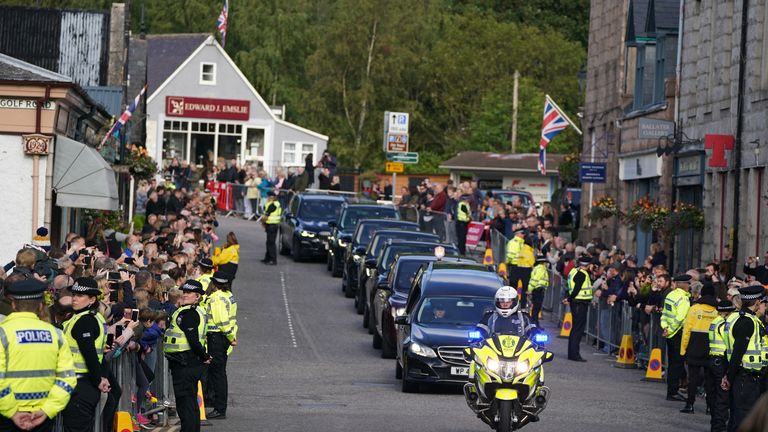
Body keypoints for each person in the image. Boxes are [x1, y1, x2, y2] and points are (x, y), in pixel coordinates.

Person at [0, 279, 77, 432]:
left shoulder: (3, 334)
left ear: (14, 305)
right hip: (41, 417)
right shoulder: (56, 335)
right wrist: (48, 409)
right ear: (41, 305)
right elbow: (67, 378)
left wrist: (12, 411)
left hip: (5, 417)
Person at [61, 277, 110, 432]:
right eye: (74, 294)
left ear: (92, 299)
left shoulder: (85, 321)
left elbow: (89, 353)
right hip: (82, 382)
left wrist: (98, 379)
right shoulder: (87, 317)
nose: (75, 298)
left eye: (80, 295)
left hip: (80, 385)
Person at [163, 280, 211, 432]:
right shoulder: (191, 311)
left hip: (186, 364)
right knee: (189, 405)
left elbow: (193, 340)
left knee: (186, 406)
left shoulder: (189, 313)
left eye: (188, 293)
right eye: (184, 292)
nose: (184, 295)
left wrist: (204, 356)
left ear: (197, 296)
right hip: (188, 363)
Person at [722, 284, 766, 431]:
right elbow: (738, 351)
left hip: (743, 376)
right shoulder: (747, 322)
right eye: (762, 301)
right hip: (745, 377)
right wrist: (729, 376)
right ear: (757, 302)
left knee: (737, 417)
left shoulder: (739, 318)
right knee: (742, 418)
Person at [679, 282, 718, 414]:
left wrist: (683, 349)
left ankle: (690, 405)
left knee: (693, 378)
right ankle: (709, 407)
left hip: (694, 347)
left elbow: (687, 331)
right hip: (711, 348)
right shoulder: (717, 310)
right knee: (710, 380)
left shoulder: (694, 309)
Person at [204, 272, 238, 420]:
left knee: (218, 375)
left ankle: (219, 409)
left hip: (217, 338)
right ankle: (218, 405)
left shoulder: (216, 298)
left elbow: (222, 321)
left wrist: (231, 337)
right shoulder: (228, 295)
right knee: (219, 374)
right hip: (222, 339)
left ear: (214, 283)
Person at [661, 274, 692, 402]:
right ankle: (673, 392)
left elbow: (664, 314)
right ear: (684, 284)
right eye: (688, 284)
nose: (689, 286)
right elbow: (680, 318)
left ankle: (672, 390)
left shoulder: (670, 295)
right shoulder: (683, 299)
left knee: (673, 363)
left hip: (669, 333)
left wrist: (665, 328)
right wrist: (672, 329)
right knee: (677, 364)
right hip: (678, 333)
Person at [708, 299, 735, 432]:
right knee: (722, 396)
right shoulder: (724, 325)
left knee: (713, 395)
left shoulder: (715, 321)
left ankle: (715, 424)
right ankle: (719, 427)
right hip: (721, 362)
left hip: (712, 360)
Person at [562, 255, 593, 362]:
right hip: (580, 303)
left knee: (575, 329)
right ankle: (575, 354)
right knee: (578, 329)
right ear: (587, 265)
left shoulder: (574, 271)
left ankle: (572, 353)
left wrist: (568, 298)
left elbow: (570, 287)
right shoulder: (582, 274)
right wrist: (569, 298)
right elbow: (577, 289)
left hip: (576, 303)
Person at [506, 228, 534, 309]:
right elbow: (510, 255)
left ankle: (514, 304)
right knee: (520, 287)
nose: (523, 235)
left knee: (514, 286)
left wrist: (508, 264)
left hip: (516, 267)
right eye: (522, 233)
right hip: (519, 267)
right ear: (517, 234)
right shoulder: (515, 243)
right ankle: (520, 305)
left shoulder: (522, 243)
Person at [528, 255, 549, 326]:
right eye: (546, 262)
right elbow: (535, 280)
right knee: (536, 308)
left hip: (538, 290)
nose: (547, 264)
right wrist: (529, 289)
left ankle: (535, 323)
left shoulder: (539, 268)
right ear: (543, 262)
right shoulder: (540, 269)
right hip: (538, 290)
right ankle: (534, 324)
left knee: (536, 308)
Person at [261, 191, 281, 265]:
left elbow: (266, 215)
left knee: (271, 243)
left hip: (272, 225)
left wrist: (263, 222)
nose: (267, 198)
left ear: (271, 197)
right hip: (272, 225)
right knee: (269, 242)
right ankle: (267, 258)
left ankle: (273, 259)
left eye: (268, 196)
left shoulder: (273, 205)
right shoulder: (275, 203)